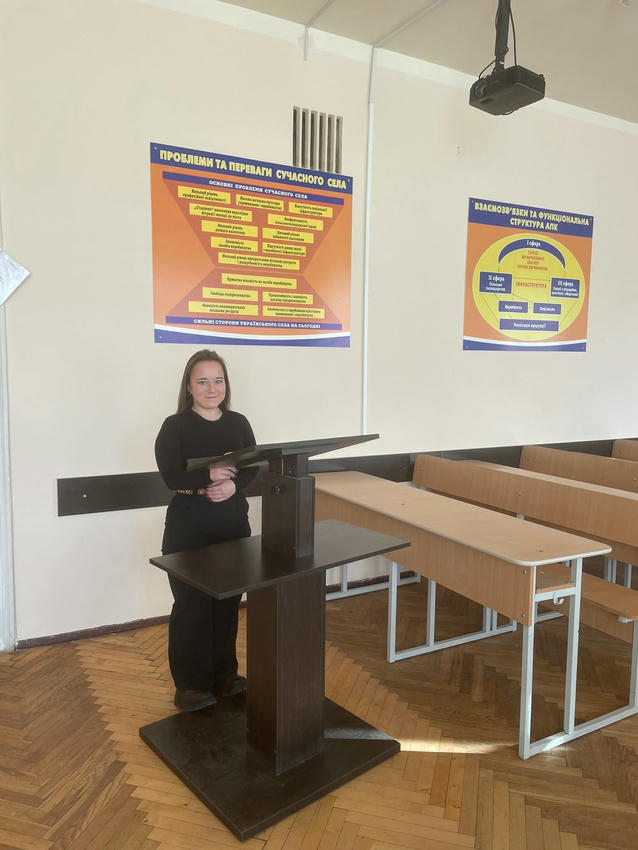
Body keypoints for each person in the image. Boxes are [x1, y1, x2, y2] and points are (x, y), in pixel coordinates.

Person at [155, 349, 256, 711]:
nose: (212, 388)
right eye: (202, 381)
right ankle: (191, 687)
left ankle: (225, 677)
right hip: (188, 529)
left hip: (232, 526)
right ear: (188, 386)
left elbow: (253, 466)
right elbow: (170, 476)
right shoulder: (174, 426)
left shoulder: (239, 423)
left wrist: (233, 486)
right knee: (191, 606)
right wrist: (208, 477)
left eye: (218, 380)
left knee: (227, 605)